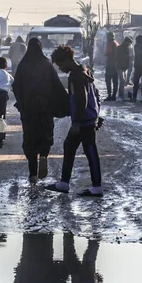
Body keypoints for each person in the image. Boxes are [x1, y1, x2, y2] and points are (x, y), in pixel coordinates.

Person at [46, 46, 103, 197]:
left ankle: (96, 187)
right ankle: (64, 183)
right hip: (88, 118)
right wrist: (97, 114)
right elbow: (96, 94)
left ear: (66, 60)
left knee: (90, 150)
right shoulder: (84, 70)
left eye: (60, 65)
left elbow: (82, 99)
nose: (60, 68)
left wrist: (77, 122)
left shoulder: (76, 76)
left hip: (83, 120)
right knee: (70, 146)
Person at [12, 38, 65, 183]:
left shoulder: (23, 65)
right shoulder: (47, 64)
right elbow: (56, 85)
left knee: (30, 138)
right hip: (45, 108)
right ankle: (43, 156)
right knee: (45, 134)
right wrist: (64, 102)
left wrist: (22, 102)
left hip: (28, 110)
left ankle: (32, 174)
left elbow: (16, 86)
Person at [115, 36, 132, 101]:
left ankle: (121, 95)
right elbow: (119, 57)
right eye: (129, 43)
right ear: (126, 42)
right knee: (122, 80)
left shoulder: (127, 48)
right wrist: (128, 56)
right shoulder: (119, 48)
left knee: (123, 81)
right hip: (119, 66)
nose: (129, 45)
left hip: (124, 67)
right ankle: (120, 95)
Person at [103, 32, 119, 102]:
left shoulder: (110, 43)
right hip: (116, 65)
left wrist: (105, 53)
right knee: (115, 81)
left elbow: (108, 53)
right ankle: (114, 96)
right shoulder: (116, 43)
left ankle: (109, 95)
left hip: (110, 65)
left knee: (108, 80)